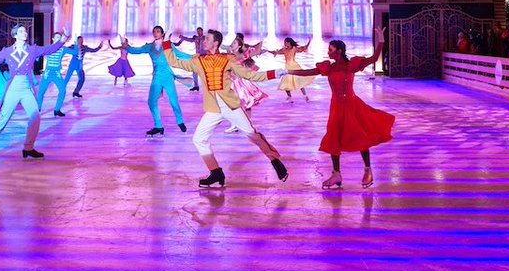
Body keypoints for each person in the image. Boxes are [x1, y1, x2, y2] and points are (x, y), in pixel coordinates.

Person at [162, 29, 288, 187]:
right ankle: (216, 172)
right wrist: (166, 42)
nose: (204, 41)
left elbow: (249, 75)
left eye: (207, 39)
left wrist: (274, 74)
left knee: (252, 134)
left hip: (230, 106)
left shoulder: (228, 59)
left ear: (216, 43)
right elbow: (174, 61)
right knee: (198, 139)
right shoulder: (198, 60)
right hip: (213, 108)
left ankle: (275, 160)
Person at [285, 27, 392, 189]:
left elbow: (374, 58)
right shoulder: (329, 67)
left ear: (339, 51)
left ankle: (368, 170)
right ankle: (336, 174)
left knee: (360, 136)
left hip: (352, 105)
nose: (328, 53)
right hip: (336, 107)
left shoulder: (351, 65)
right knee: (333, 137)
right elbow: (309, 72)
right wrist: (289, 72)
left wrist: (381, 40)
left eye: (331, 50)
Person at [0, 25, 68, 157]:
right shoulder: (7, 51)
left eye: (25, 31)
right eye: (21, 31)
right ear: (15, 35)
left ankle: (28, 148)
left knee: (35, 116)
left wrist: (64, 38)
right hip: (13, 88)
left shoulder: (32, 49)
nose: (25, 33)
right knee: (4, 117)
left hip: (26, 88)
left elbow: (49, 49)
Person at [125, 26, 190, 137]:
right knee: (151, 101)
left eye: (158, 31)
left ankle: (180, 121)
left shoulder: (168, 45)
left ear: (162, 34)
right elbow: (135, 50)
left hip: (168, 76)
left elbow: (180, 54)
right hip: (157, 77)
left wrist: (196, 58)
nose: (155, 33)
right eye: (154, 31)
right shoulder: (149, 46)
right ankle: (158, 126)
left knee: (173, 101)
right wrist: (125, 45)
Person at [274, 37, 314, 102]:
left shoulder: (294, 48)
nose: (284, 43)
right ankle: (289, 97)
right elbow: (277, 52)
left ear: (289, 42)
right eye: (284, 42)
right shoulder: (284, 49)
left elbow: (303, 48)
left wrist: (309, 42)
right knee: (285, 82)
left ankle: (305, 96)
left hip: (295, 67)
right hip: (287, 67)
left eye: (286, 42)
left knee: (299, 82)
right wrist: (268, 51)